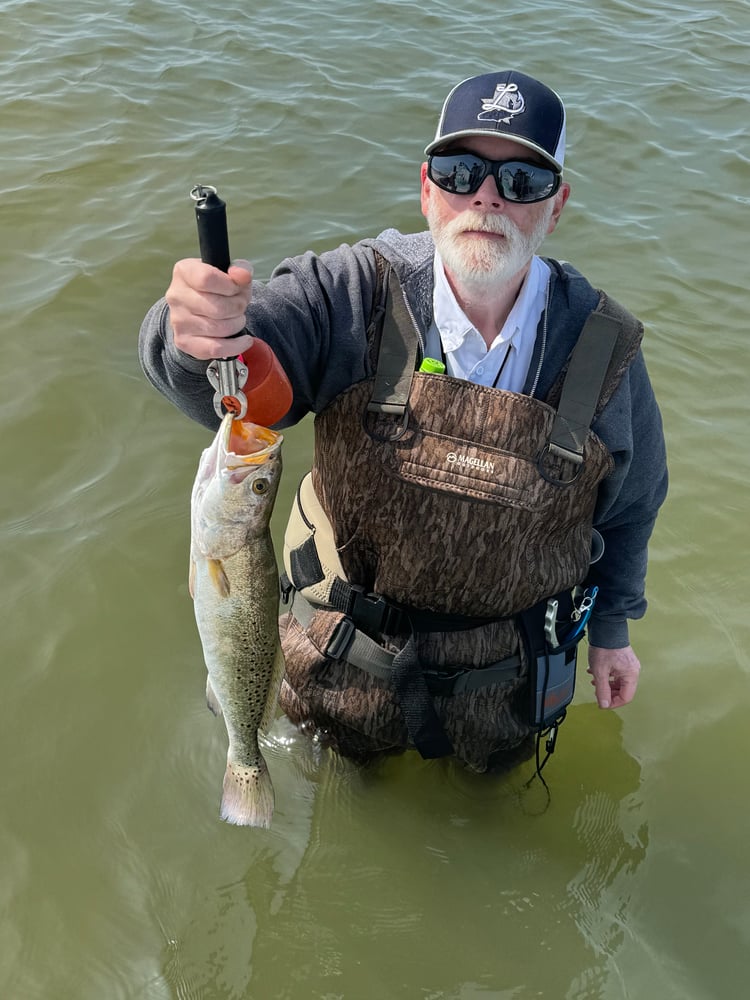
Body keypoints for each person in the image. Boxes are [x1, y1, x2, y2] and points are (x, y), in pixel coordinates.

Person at [139, 70, 667, 773]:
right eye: (461, 171)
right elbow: (229, 367)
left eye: (522, 181)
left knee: (492, 805)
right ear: (428, 189)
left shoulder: (604, 345)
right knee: (348, 797)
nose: (486, 195)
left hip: (508, 679)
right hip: (344, 665)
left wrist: (611, 628)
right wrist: (195, 334)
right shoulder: (350, 292)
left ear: (557, 204)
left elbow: (632, 505)